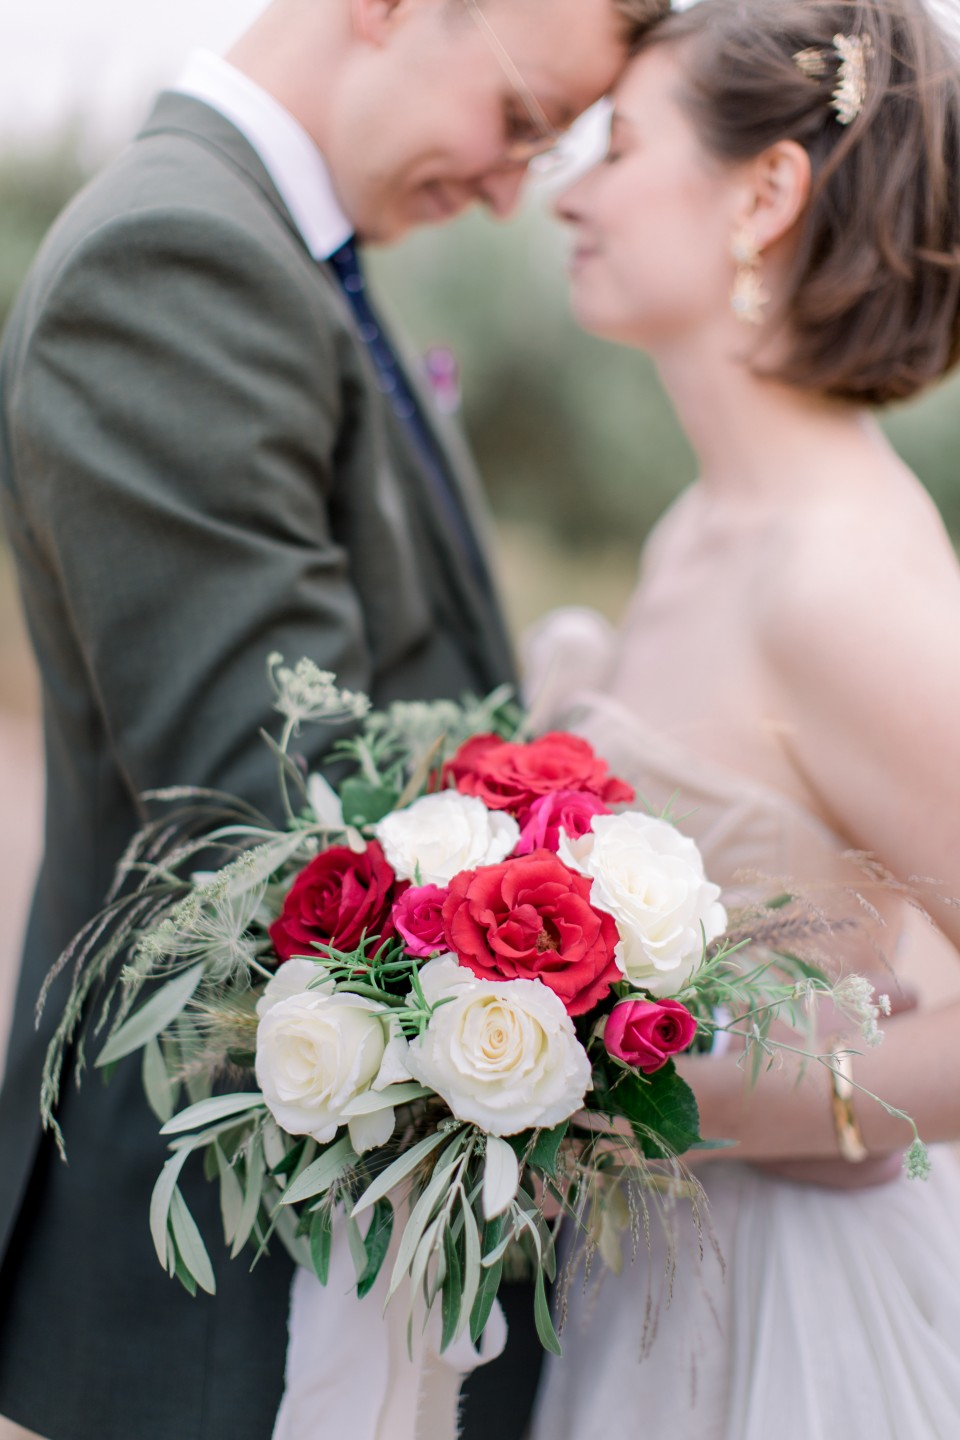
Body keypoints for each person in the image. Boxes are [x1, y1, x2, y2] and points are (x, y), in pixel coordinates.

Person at [0, 1, 664, 1436]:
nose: (509, 188)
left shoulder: (291, 258)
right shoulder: (177, 262)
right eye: (523, 118)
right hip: (227, 1277)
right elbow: (282, 821)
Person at [526, 0, 960, 1434]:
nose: (569, 191)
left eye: (619, 147)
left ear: (766, 192)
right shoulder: (704, 521)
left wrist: (793, 1102)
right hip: (633, 1293)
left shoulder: (844, 584)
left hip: (786, 1326)